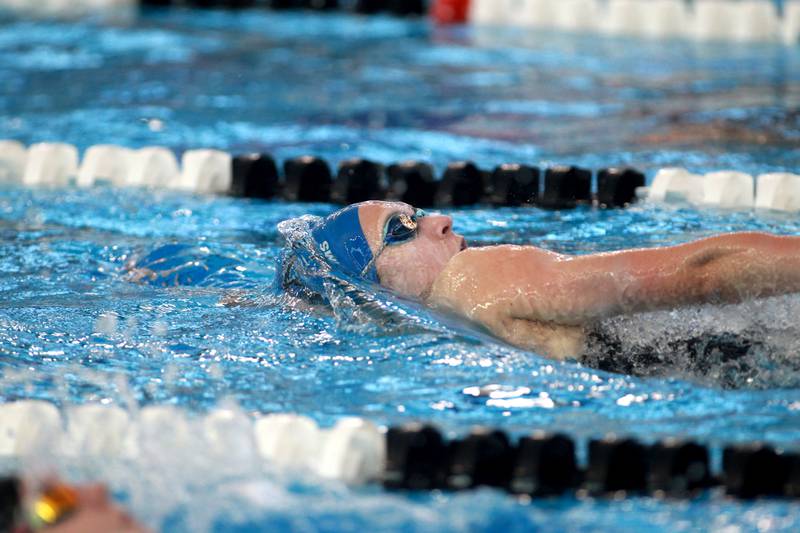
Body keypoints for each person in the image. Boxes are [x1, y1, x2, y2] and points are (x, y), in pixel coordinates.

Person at [281, 200, 800, 362]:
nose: (440, 220)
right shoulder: (477, 279)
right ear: (372, 287)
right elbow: (699, 273)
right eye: (403, 229)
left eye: (416, 210)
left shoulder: (427, 337)